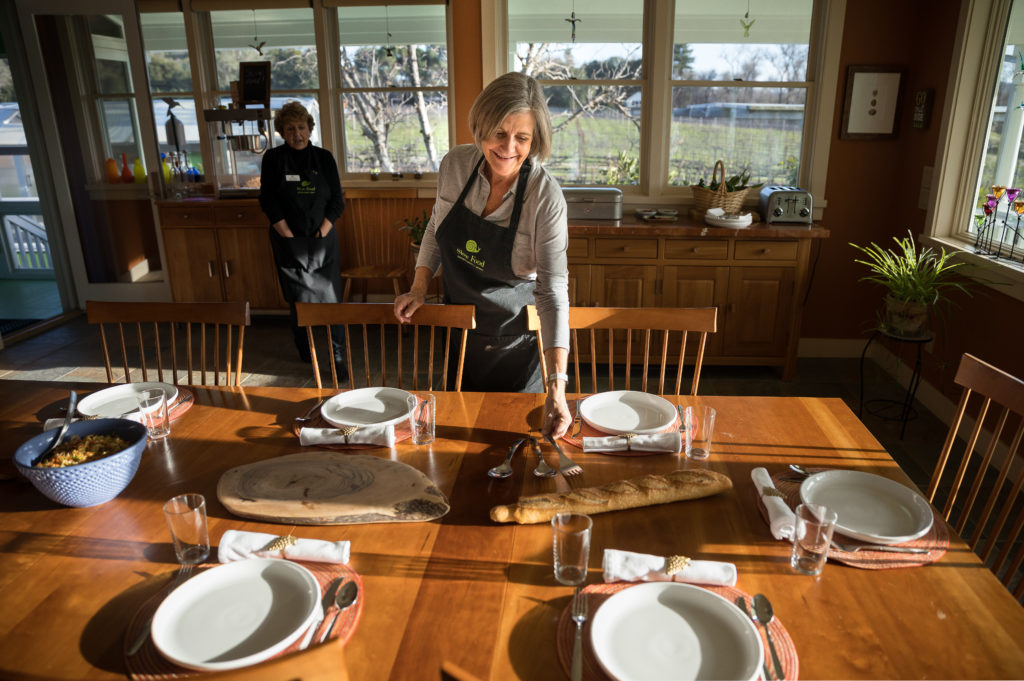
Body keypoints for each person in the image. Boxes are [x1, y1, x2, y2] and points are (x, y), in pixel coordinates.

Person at [394, 72, 572, 437]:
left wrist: (557, 387)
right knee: (455, 439)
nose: (508, 148)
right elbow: (435, 228)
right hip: (459, 334)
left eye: (522, 138)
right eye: (498, 133)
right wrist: (418, 286)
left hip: (516, 345)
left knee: (515, 446)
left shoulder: (545, 198)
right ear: (480, 127)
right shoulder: (456, 165)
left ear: (535, 139)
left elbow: (553, 295)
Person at [259, 101, 346, 371]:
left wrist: (322, 230)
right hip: (288, 240)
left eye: (301, 127)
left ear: (310, 129)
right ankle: (306, 352)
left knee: (332, 300)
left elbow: (337, 201)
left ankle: (338, 358)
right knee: (298, 302)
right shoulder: (273, 159)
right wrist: (286, 235)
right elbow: (268, 200)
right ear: (281, 132)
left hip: (323, 239)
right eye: (290, 128)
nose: (297, 134)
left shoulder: (324, 158)